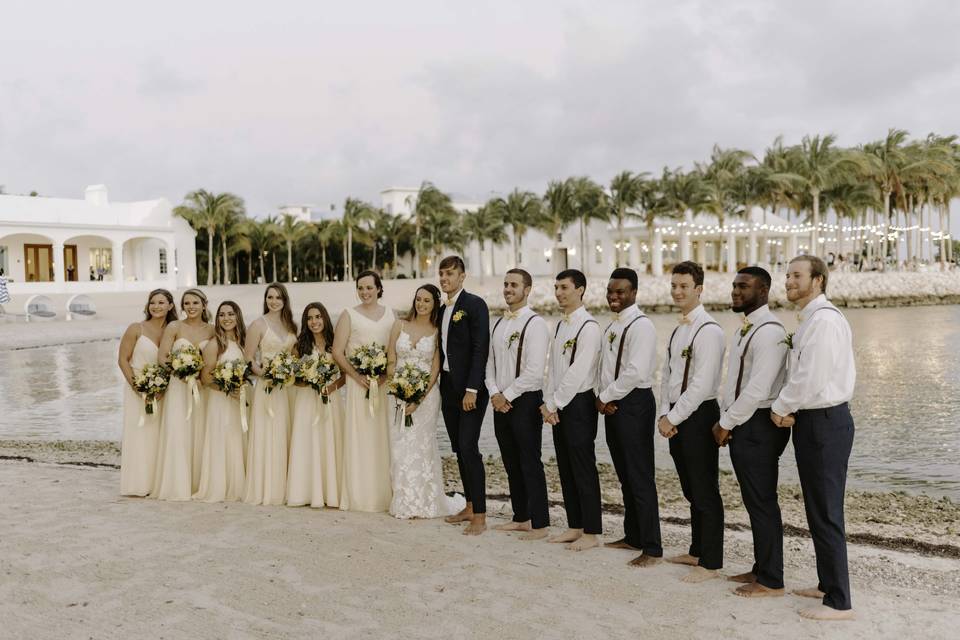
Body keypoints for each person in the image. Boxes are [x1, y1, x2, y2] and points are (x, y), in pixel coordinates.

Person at [771, 255, 856, 621]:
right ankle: (826, 583)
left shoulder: (823, 322)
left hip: (825, 422)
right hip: (813, 422)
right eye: (787, 275)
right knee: (816, 508)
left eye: (796, 275)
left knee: (826, 511)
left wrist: (780, 407)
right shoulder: (810, 320)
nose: (788, 281)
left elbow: (812, 376)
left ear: (818, 280)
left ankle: (839, 602)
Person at [712, 267, 789, 597]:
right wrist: (728, 416)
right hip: (745, 421)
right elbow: (735, 381)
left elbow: (758, 388)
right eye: (734, 286)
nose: (735, 291)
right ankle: (761, 568)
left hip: (758, 424)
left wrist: (726, 422)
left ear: (765, 290)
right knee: (753, 499)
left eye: (743, 286)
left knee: (762, 501)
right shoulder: (746, 329)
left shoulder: (770, 332)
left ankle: (772, 580)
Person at [658, 261, 725, 582]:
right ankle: (697, 550)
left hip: (699, 415)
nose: (677, 291)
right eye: (674, 286)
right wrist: (663, 413)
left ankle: (711, 564)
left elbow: (701, 384)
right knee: (689, 488)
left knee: (704, 488)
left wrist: (673, 416)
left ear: (699, 288)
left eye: (684, 286)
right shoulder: (678, 328)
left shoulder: (709, 330)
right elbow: (667, 375)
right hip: (676, 413)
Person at [595, 268, 662, 566]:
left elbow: (635, 371)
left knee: (640, 475)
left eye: (620, 291)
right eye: (611, 290)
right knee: (624, 475)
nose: (614, 296)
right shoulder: (612, 326)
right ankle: (632, 535)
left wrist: (605, 396)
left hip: (634, 403)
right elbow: (605, 367)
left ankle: (652, 547)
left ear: (634, 292)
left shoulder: (641, 326)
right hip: (613, 401)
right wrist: (604, 395)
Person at [385, 284, 465, 519]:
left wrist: (418, 397)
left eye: (426, 301)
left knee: (422, 445)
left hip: (426, 398)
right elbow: (391, 356)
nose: (421, 304)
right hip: (397, 395)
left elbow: (435, 367)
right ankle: (403, 499)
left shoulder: (437, 330)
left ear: (434, 304)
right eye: (418, 299)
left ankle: (426, 501)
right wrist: (397, 387)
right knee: (399, 445)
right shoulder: (399, 324)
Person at [540, 269, 603, 551]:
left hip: (579, 404)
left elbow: (579, 371)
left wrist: (554, 402)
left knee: (583, 466)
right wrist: (548, 401)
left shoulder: (588, 327)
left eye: (564, 287)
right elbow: (553, 367)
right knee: (565, 466)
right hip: (559, 403)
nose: (559, 293)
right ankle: (574, 525)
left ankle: (592, 531)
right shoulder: (561, 325)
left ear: (580, 290)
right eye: (556, 288)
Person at [486, 269, 550, 539]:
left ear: (527, 289)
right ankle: (521, 516)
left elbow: (535, 371)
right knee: (510, 461)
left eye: (514, 285)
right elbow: (489, 364)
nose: (508, 289)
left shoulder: (535, 324)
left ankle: (540, 524)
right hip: (500, 401)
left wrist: (506, 395)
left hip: (524, 401)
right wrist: (493, 393)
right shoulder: (499, 323)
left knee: (529, 461)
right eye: (505, 284)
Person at [437, 256, 491, 535]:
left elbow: (481, 348)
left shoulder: (474, 305)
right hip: (447, 387)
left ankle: (481, 515)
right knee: (458, 448)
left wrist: (473, 389)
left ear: (462, 276)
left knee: (469, 447)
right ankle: (469, 505)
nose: (444, 278)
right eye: (441, 274)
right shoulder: (441, 308)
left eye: (450, 274)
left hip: (470, 390)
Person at [333, 270, 395, 512]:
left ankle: (386, 493)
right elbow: (338, 352)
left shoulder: (390, 314)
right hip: (358, 386)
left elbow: (395, 349)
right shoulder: (349, 315)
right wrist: (357, 376)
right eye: (361, 288)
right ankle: (360, 494)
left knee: (384, 435)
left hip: (383, 384)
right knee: (361, 436)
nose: (365, 292)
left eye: (370, 287)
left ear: (379, 288)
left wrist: (384, 375)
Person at [152, 289, 215, 500]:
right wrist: (181, 369)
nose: (191, 306)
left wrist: (200, 374)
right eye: (187, 303)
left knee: (200, 432)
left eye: (195, 302)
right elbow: (162, 357)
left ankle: (198, 483)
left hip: (201, 390)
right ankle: (176, 485)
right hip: (178, 387)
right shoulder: (175, 326)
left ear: (204, 305)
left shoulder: (213, 331)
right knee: (178, 431)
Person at [117, 289, 177, 496]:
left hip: (165, 391)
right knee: (140, 433)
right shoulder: (136, 328)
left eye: (161, 302)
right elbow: (123, 360)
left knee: (162, 435)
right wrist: (137, 387)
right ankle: (138, 484)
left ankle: (159, 484)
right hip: (138, 389)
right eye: (153, 303)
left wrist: (164, 385)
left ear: (170, 305)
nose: (156, 306)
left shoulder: (175, 330)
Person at [243, 283, 298, 506]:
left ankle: (287, 486)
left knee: (286, 432)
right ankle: (267, 487)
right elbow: (248, 358)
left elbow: (295, 355)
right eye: (270, 297)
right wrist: (263, 373)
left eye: (278, 297)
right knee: (268, 433)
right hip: (267, 388)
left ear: (285, 300)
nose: (273, 301)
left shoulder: (292, 325)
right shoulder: (258, 324)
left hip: (288, 388)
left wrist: (290, 370)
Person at [286, 302, 345, 508]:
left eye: (318, 317)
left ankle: (331, 492)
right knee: (306, 442)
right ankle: (305, 492)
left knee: (330, 441)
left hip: (331, 399)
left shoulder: (335, 343)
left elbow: (345, 375)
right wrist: (309, 380)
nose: (314, 322)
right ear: (305, 322)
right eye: (310, 318)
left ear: (325, 318)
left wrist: (331, 387)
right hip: (306, 400)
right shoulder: (299, 346)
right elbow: (293, 378)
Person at [194, 301, 249, 503]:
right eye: (222, 315)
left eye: (231, 314)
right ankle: (222, 486)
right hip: (221, 401)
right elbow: (206, 378)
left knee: (240, 438)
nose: (226, 318)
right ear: (217, 319)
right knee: (224, 439)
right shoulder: (215, 345)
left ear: (238, 316)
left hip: (242, 399)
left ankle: (240, 483)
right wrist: (228, 389)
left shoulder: (245, 342)